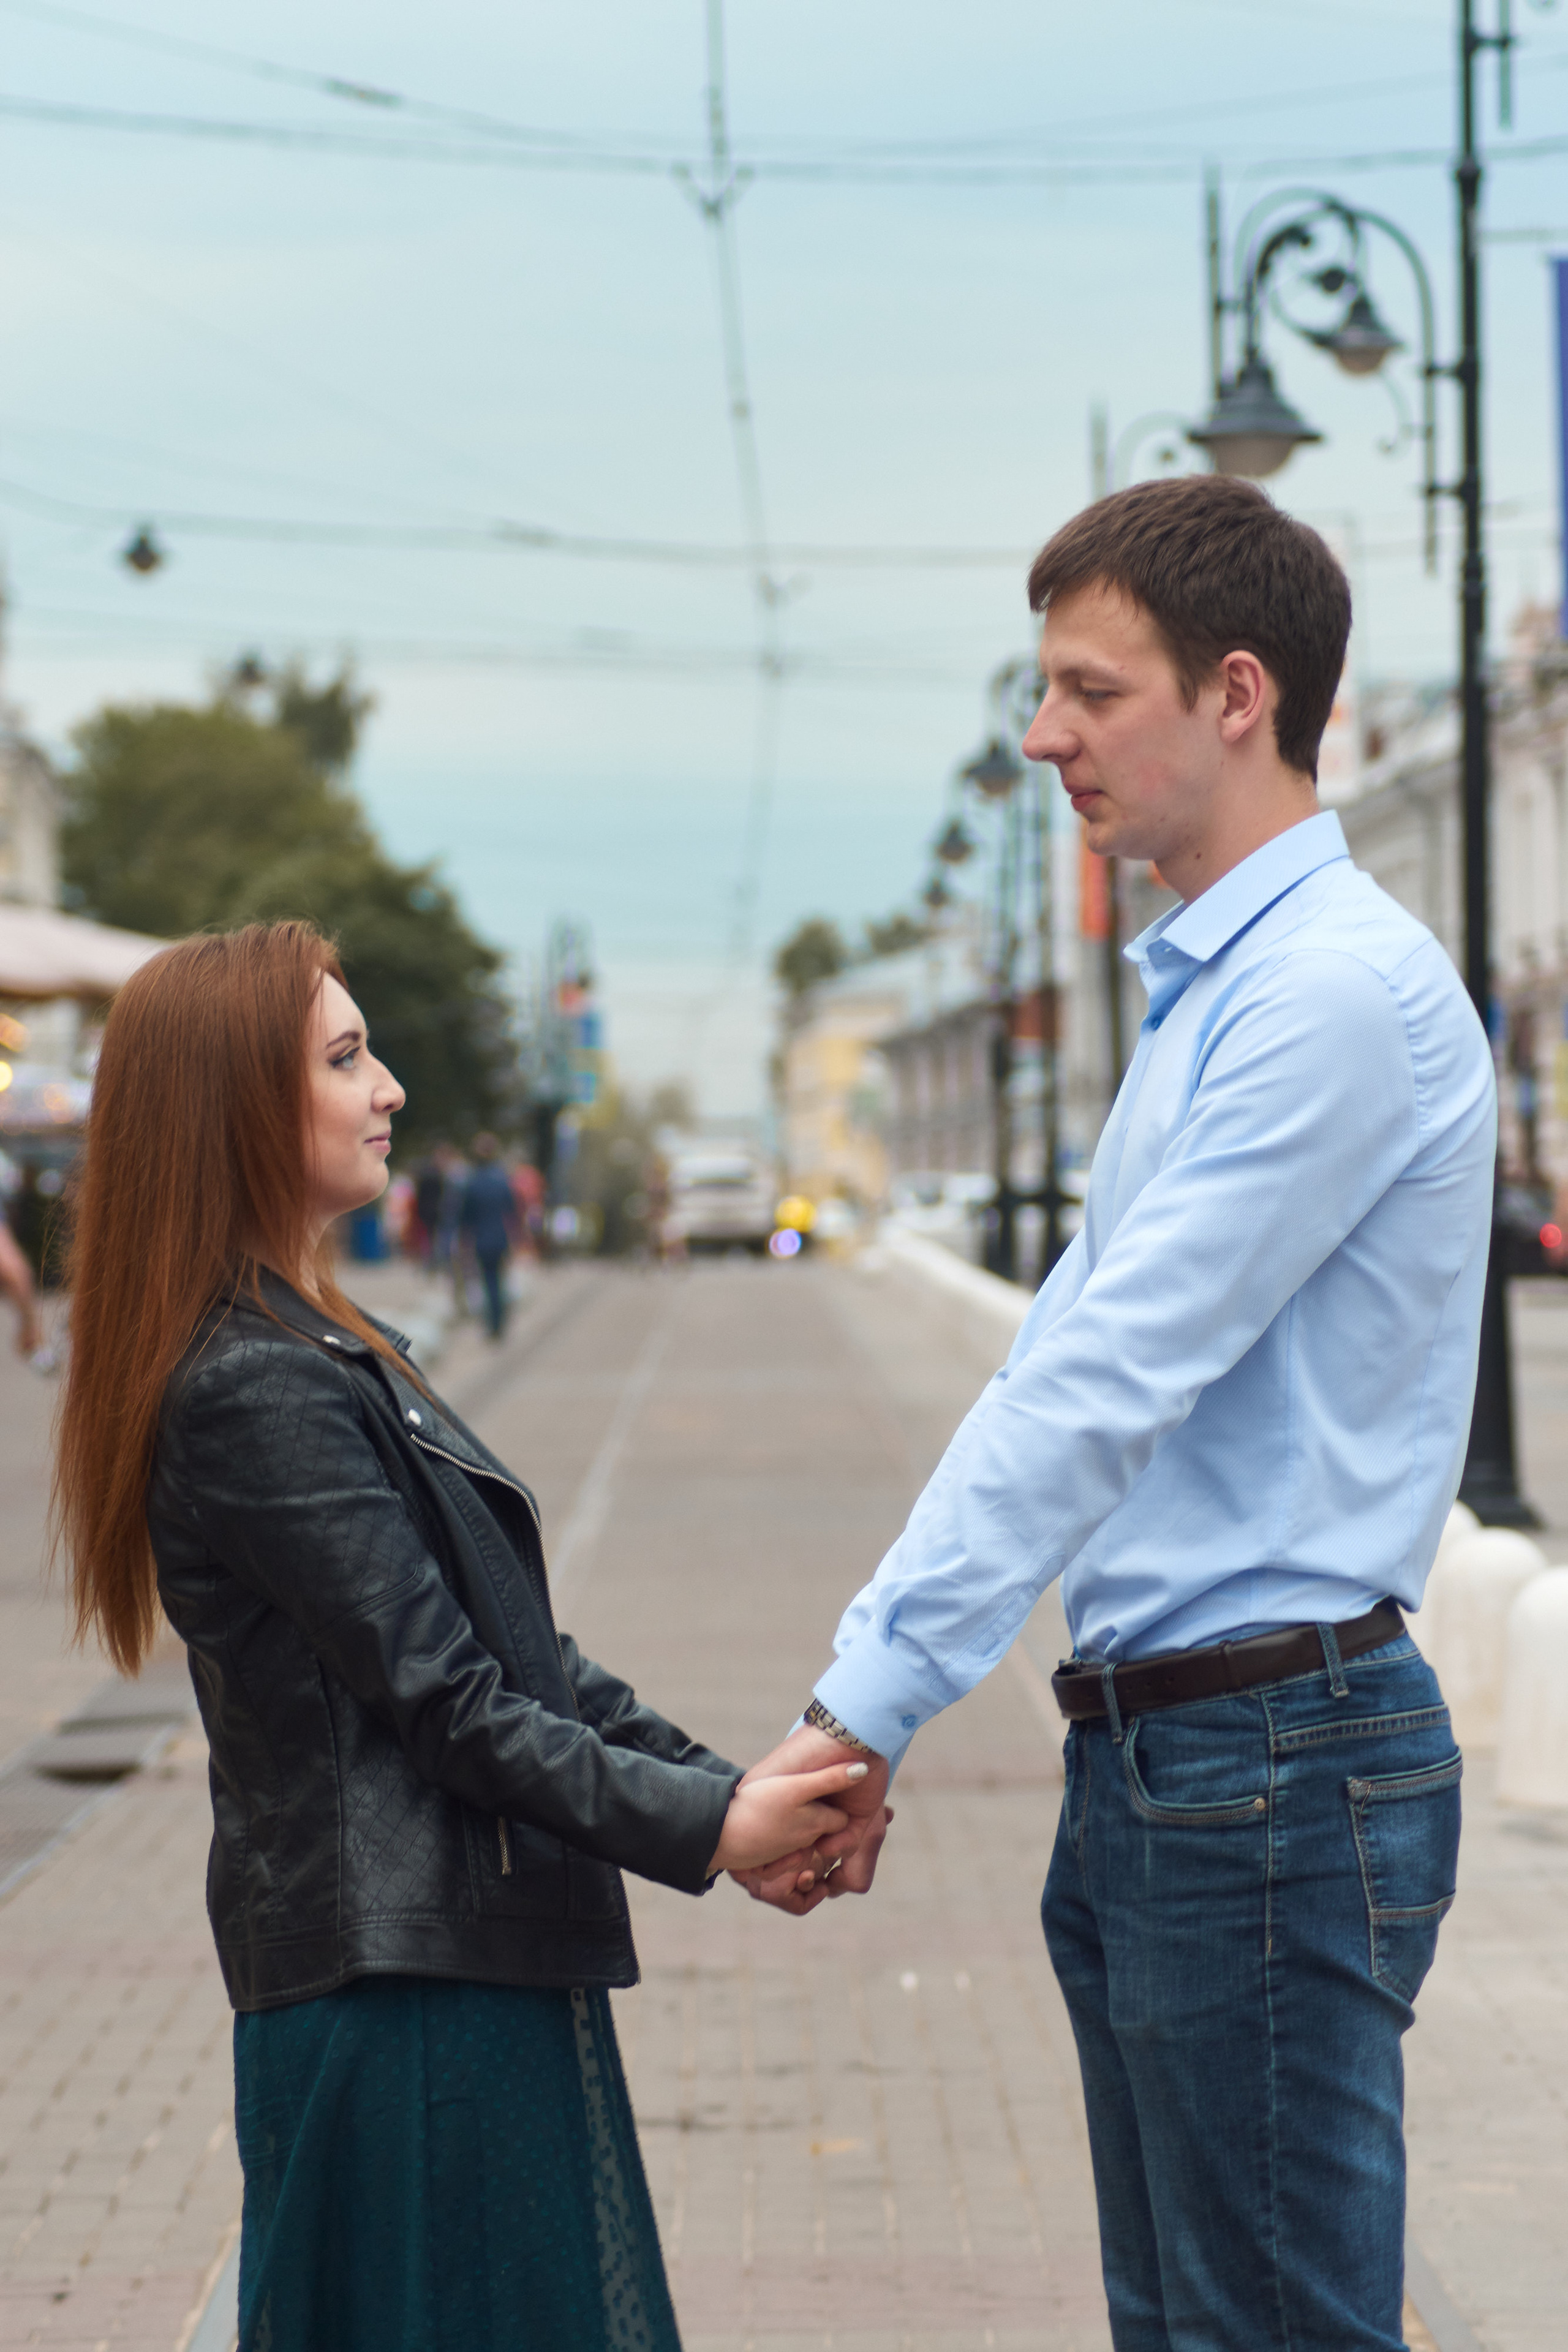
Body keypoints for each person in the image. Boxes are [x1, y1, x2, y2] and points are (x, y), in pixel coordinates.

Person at [738, 477, 1495, 2352]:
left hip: (1267, 1760)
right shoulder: (1218, 997)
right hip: (1186, 1755)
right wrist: (881, 1691)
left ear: (1238, 694)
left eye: (1090, 690)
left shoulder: (1324, 997)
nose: (1041, 735)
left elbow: (1101, 1381)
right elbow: (1057, 1360)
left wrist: (865, 1702)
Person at [53, 922, 867, 2352]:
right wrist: (708, 1826)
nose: (389, 1089)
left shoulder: (319, 1346)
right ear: (239, 1106)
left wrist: (728, 1794)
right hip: (405, 2008)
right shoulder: (258, 1385)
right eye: (344, 1058)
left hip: (443, 1976)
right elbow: (454, 1706)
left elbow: (515, 1650)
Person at [459, 1131, 519, 1340]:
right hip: (500, 1238)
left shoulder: (472, 1182)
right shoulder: (502, 1180)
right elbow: (512, 1211)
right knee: (500, 1281)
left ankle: (493, 1324)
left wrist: (463, 1243)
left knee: (488, 1282)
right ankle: (500, 1321)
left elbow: (465, 1218)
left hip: (481, 1240)